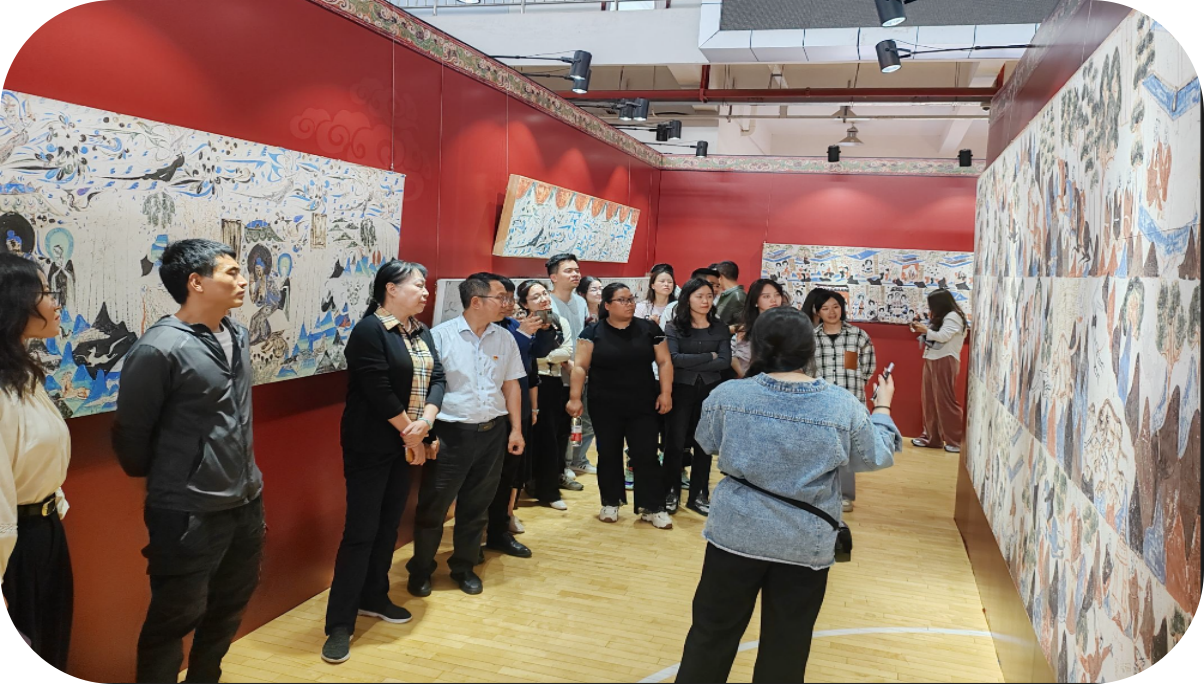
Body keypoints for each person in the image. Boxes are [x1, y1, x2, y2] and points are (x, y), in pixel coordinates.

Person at [676, 307, 901, 683]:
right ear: (810, 349)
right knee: (787, 646)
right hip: (804, 542)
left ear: (757, 346)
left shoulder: (729, 394)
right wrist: (882, 406)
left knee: (710, 636)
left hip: (735, 534)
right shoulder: (840, 404)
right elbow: (874, 456)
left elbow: (707, 442)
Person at [113, 239, 264, 684]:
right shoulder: (159, 348)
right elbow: (132, 435)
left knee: (229, 608)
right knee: (173, 619)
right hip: (187, 511)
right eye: (231, 272)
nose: (243, 280)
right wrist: (181, 474)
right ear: (196, 282)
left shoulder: (237, 334)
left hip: (245, 501)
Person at [321, 260, 444, 664]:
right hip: (371, 445)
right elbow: (377, 389)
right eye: (418, 285)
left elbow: (438, 378)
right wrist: (412, 432)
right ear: (391, 288)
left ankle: (373, 596)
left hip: (406, 442)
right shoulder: (369, 330)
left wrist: (425, 423)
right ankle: (339, 624)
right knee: (361, 532)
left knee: (389, 525)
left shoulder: (419, 331)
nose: (425, 292)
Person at [406, 273, 525, 597]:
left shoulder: (505, 338)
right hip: (450, 433)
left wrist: (516, 430)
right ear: (476, 301)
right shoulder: (440, 337)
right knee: (434, 506)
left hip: (492, 432)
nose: (507, 304)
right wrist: (427, 435)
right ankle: (421, 569)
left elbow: (511, 385)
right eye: (500, 297)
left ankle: (464, 566)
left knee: (476, 506)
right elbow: (425, 389)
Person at [1, 253, 73, 672]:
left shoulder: (24, 373)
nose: (56, 302)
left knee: (53, 645)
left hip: (44, 532)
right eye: (45, 293)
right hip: (13, 548)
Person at [566, 284, 674, 529]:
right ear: (607, 305)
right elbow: (580, 366)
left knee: (646, 454)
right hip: (604, 403)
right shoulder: (592, 332)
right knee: (608, 453)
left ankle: (653, 507)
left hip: (643, 403)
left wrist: (665, 393)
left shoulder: (649, 329)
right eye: (622, 300)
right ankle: (610, 501)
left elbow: (664, 361)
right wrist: (574, 397)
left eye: (631, 299)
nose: (629, 304)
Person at [488, 277, 555, 547]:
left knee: (514, 469)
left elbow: (537, 354)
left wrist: (544, 330)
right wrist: (525, 333)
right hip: (494, 410)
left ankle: (504, 520)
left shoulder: (513, 324)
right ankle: (488, 524)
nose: (509, 303)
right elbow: (502, 361)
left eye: (510, 297)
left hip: (520, 406)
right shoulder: (488, 329)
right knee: (492, 472)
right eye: (502, 297)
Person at [664, 278, 732, 516]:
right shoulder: (674, 327)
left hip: (710, 391)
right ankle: (670, 491)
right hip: (681, 389)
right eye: (699, 296)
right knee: (674, 443)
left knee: (704, 444)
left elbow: (725, 361)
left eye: (709, 296)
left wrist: (696, 360)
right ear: (688, 299)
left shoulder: (719, 327)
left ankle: (699, 495)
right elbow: (674, 359)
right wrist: (709, 356)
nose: (705, 301)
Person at [809, 289, 876, 514]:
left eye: (836, 307)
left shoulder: (858, 336)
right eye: (825, 308)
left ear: (842, 308)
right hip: (821, 402)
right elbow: (808, 370)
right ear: (818, 311)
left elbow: (867, 368)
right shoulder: (812, 338)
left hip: (850, 402)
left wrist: (854, 384)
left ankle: (845, 496)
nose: (831, 312)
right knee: (820, 450)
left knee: (847, 452)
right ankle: (819, 493)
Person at [517, 279, 574, 511]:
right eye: (535, 297)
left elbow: (567, 351)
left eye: (544, 293)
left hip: (552, 383)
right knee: (527, 436)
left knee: (551, 438)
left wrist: (543, 357)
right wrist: (546, 356)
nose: (543, 299)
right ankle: (522, 486)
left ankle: (549, 490)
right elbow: (523, 354)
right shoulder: (520, 324)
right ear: (524, 304)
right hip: (527, 383)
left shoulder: (559, 321)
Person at [544, 254, 588, 489]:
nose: (575, 274)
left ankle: (564, 468)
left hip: (577, 375)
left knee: (570, 426)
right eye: (568, 270)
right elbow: (551, 343)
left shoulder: (580, 302)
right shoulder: (547, 303)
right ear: (553, 277)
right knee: (553, 429)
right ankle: (550, 476)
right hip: (554, 376)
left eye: (577, 270)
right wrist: (569, 366)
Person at [910, 289, 969, 454]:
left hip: (945, 359)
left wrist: (924, 330)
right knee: (929, 400)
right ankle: (932, 437)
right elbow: (935, 334)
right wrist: (920, 328)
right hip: (933, 358)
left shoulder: (953, 317)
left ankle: (956, 441)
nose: (930, 308)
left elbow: (942, 336)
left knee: (945, 402)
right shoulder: (945, 317)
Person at [567, 277, 603, 476]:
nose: (599, 292)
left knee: (589, 422)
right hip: (575, 373)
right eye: (594, 289)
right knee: (575, 421)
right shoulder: (578, 314)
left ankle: (579, 459)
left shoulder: (606, 313)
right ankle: (568, 460)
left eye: (601, 288)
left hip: (597, 375)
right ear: (582, 293)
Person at [731, 279, 790, 378]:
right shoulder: (745, 330)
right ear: (755, 301)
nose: (773, 300)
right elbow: (732, 354)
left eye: (777, 295)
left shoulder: (789, 325)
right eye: (766, 296)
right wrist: (743, 374)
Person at [713, 261, 746, 331]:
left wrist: (720, 331)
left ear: (720, 276)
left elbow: (743, 325)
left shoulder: (738, 296)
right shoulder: (729, 294)